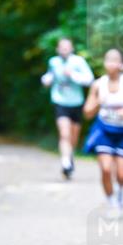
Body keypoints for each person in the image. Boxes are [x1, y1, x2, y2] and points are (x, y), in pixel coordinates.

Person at [82, 48, 123, 218]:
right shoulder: (98, 85)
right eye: (107, 60)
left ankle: (121, 191)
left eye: (114, 60)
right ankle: (112, 203)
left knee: (122, 175)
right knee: (105, 169)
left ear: (121, 64)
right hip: (104, 130)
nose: (110, 63)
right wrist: (97, 103)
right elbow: (87, 112)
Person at [41, 38, 94, 178]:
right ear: (57, 49)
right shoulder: (53, 62)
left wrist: (73, 75)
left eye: (67, 47)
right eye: (62, 47)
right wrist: (46, 80)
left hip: (76, 102)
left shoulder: (79, 62)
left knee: (73, 137)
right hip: (60, 101)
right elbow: (50, 76)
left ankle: (69, 158)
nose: (64, 50)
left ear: (72, 49)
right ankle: (65, 162)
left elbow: (90, 80)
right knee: (64, 133)